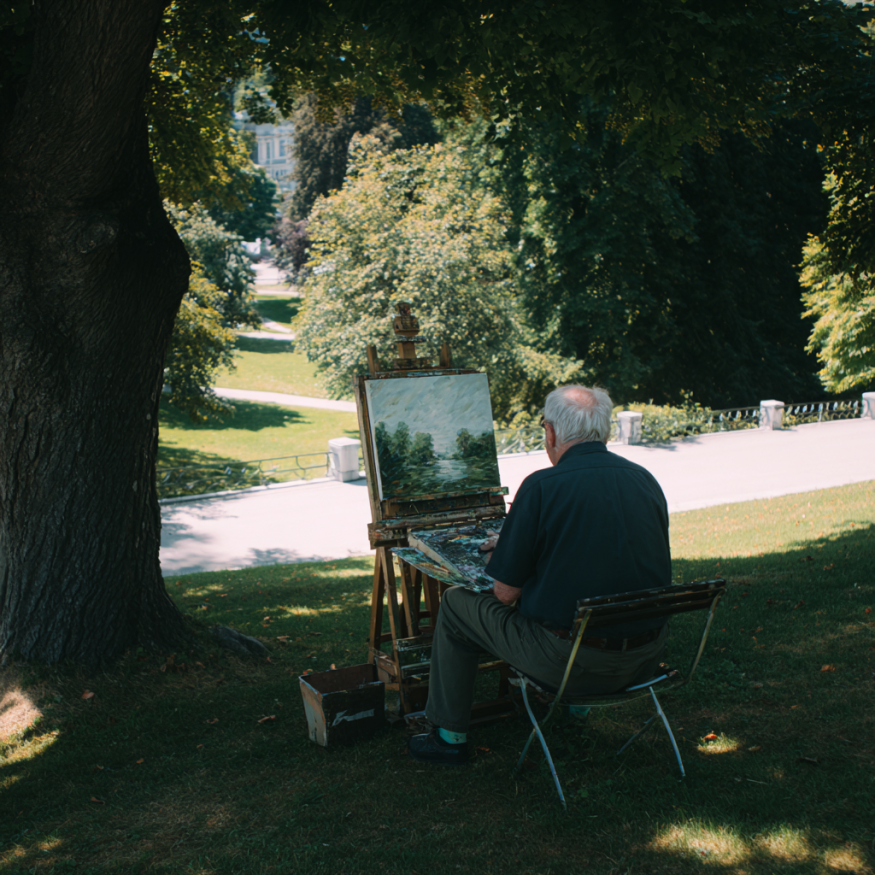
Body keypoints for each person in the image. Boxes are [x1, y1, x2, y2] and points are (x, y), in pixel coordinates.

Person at [408, 384, 672, 765]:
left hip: (573, 665)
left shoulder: (542, 486)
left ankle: (449, 737)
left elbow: (504, 594)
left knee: (454, 604)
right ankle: (574, 713)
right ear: (605, 430)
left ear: (549, 432)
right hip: (646, 658)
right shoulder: (644, 479)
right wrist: (525, 543)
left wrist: (514, 550)